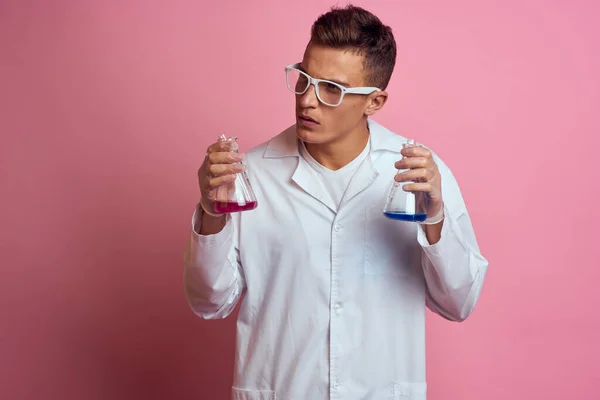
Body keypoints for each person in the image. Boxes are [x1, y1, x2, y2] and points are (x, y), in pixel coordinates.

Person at [183, 4, 488, 400]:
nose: (307, 100)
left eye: (331, 89)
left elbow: (459, 302)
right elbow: (209, 301)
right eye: (303, 77)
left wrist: (434, 220)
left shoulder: (419, 176)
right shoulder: (251, 174)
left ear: (374, 102)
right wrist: (211, 213)